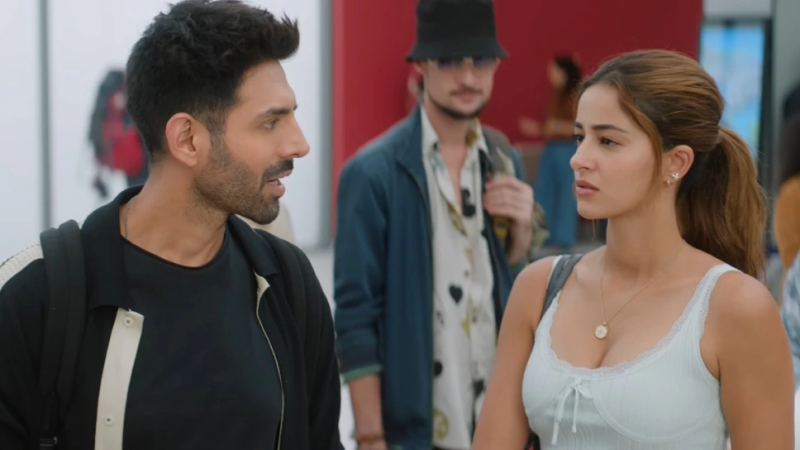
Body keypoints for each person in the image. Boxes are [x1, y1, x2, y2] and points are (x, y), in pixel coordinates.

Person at [0, 1, 343, 449]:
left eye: (293, 115)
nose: (299, 144)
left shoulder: (287, 286)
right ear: (187, 139)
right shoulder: (33, 301)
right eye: (270, 122)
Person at [473, 50, 794, 449]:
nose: (578, 159)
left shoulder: (736, 306)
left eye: (607, 141)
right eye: (580, 137)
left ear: (675, 162)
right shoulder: (538, 287)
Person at [333, 0, 540, 448]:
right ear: (422, 64)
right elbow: (355, 313)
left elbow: (508, 291)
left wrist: (520, 240)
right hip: (418, 425)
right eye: (449, 60)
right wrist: (370, 435)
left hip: (498, 420)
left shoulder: (502, 158)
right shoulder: (372, 173)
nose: (468, 78)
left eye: (480, 60)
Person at [520, 55, 583, 250]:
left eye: (554, 70)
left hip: (568, 148)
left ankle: (564, 237)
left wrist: (555, 126)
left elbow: (580, 127)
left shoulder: (577, 96)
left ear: (564, 73)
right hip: (550, 147)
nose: (551, 75)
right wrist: (540, 129)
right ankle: (542, 235)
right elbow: (549, 126)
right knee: (543, 190)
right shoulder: (555, 95)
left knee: (567, 194)